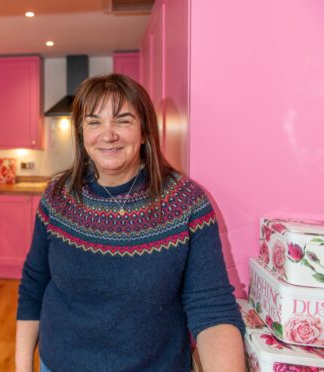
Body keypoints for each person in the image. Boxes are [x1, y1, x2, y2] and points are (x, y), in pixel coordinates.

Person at [15, 74, 245, 372]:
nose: (107, 134)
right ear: (82, 133)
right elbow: (34, 284)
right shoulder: (58, 197)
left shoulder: (186, 202)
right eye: (94, 122)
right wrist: (22, 367)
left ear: (145, 130)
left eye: (123, 120)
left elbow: (212, 307)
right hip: (60, 363)